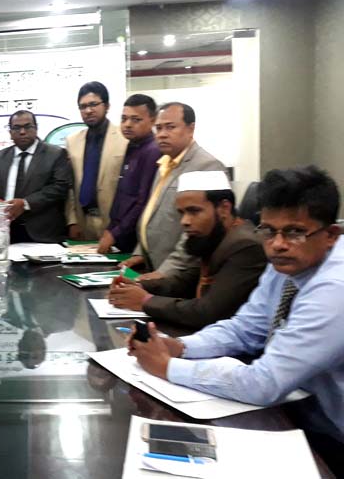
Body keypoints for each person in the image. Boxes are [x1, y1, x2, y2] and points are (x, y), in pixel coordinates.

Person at [128, 166, 344, 475]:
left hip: (334, 434)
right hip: (303, 409)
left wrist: (167, 367)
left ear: (331, 236)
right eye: (268, 230)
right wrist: (180, 347)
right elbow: (245, 328)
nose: (278, 244)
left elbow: (265, 383)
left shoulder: (335, 287)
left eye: (295, 232)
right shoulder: (289, 262)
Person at [109, 171, 267, 330]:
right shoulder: (216, 236)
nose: (184, 221)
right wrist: (140, 286)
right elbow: (186, 281)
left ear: (224, 208)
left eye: (194, 211)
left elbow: (207, 312)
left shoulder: (246, 246)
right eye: (182, 213)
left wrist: (145, 301)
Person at [121, 102, 225, 276]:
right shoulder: (165, 163)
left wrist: (163, 274)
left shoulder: (206, 166)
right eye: (158, 128)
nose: (162, 134)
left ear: (191, 129)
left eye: (170, 127)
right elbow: (152, 215)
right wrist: (140, 253)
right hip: (154, 266)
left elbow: (197, 234)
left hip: (181, 275)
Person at [0, 110, 72, 243]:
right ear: (10, 132)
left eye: (27, 127)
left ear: (36, 129)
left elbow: (60, 188)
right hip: (5, 229)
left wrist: (25, 204)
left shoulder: (55, 154)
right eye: (17, 128)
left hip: (42, 233)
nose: (22, 132)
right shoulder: (1, 156)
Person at [64, 81, 128, 242]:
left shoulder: (124, 138)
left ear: (107, 106)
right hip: (83, 222)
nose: (88, 110)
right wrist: (72, 220)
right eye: (83, 106)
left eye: (93, 104)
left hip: (115, 225)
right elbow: (70, 186)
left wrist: (119, 228)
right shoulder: (72, 141)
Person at [98, 94, 161, 253]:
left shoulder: (153, 151)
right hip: (121, 236)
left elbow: (143, 201)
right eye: (124, 119)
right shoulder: (132, 146)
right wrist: (111, 229)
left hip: (135, 240)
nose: (127, 125)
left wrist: (115, 233)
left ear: (153, 120)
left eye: (136, 119)